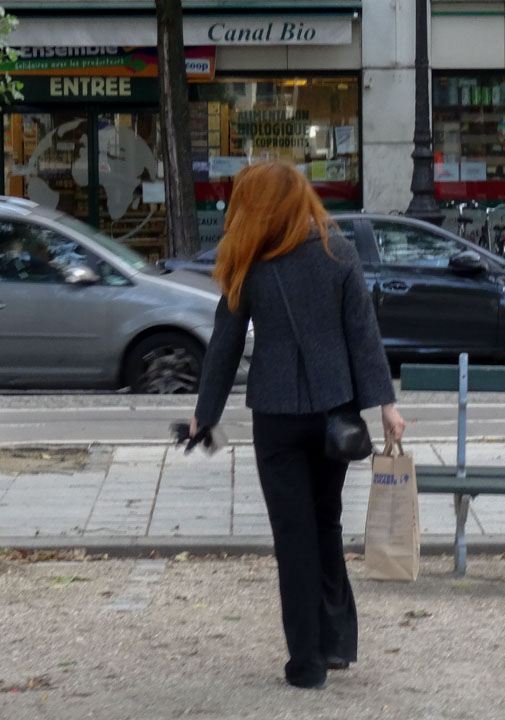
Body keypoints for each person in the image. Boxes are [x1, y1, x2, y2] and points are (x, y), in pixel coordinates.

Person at [190, 162, 405, 690]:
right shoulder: (339, 253)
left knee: (293, 536)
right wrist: (385, 405)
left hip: (277, 415)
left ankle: (306, 662)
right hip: (335, 415)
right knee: (326, 523)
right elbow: (363, 335)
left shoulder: (250, 260)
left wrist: (205, 413)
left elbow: (225, 343)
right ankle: (336, 643)